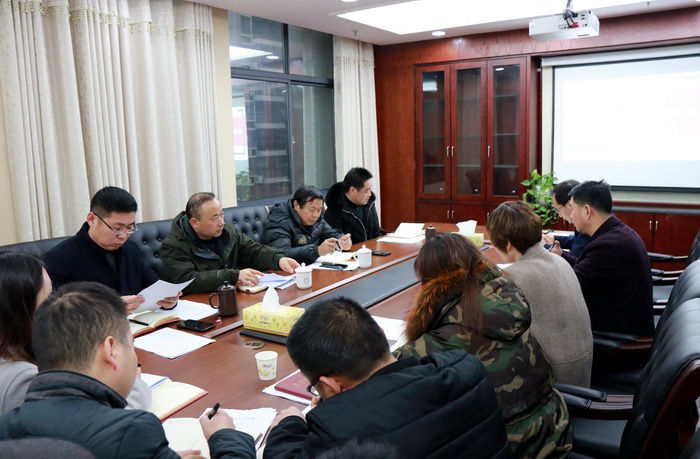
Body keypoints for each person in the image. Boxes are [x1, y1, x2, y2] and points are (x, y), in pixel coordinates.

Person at [0, 282, 255, 459]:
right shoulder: (131, 431)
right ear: (110, 350)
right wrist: (225, 437)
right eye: (131, 346)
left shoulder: (6, 428)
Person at [264, 296, 511, 459]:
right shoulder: (465, 367)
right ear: (381, 334)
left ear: (330, 385)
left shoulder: (338, 432)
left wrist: (288, 425)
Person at [398, 233, 572, 458]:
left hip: (510, 447)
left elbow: (384, 370)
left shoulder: (446, 337)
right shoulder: (506, 301)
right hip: (554, 430)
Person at [0, 252, 152, 413]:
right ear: (21, 308)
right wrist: (133, 382)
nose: (55, 302)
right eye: (49, 295)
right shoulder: (22, 379)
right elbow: (94, 419)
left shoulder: (20, 350)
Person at [486, 201, 593, 387]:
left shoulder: (512, 277)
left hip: (554, 382)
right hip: (582, 372)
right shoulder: (559, 260)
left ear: (507, 244)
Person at [44, 186, 180, 313]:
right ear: (92, 219)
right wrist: (110, 307)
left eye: (130, 228)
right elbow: (58, 311)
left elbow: (152, 285)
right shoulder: (59, 258)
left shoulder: (130, 248)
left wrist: (168, 299)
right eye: (117, 228)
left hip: (140, 325)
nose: (123, 236)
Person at [556, 180, 654, 337]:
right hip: (616, 324)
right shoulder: (615, 233)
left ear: (587, 211)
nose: (571, 215)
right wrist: (561, 256)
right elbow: (585, 268)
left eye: (572, 208)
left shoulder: (609, 246)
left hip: (617, 338)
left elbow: (568, 286)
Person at [161, 192, 299, 294]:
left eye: (221, 214)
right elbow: (186, 281)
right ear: (195, 223)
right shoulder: (174, 245)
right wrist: (233, 276)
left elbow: (252, 251)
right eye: (215, 218)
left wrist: (278, 259)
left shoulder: (227, 231)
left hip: (232, 296)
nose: (221, 222)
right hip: (202, 306)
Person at [262, 186, 352, 264]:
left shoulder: (317, 218)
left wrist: (343, 241)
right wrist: (317, 251)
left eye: (319, 210)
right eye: (311, 209)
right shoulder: (279, 221)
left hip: (311, 267)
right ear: (296, 205)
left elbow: (332, 234)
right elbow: (282, 254)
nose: (315, 215)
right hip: (285, 273)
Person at [324, 167, 381, 243]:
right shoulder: (334, 211)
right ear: (353, 190)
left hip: (371, 248)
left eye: (370, 190)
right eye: (367, 191)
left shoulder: (369, 203)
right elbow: (336, 243)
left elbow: (376, 234)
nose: (370, 194)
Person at [543, 179, 591, 257]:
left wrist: (544, 246)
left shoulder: (587, 225)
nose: (560, 215)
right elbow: (578, 241)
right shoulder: (588, 218)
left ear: (570, 204)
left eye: (558, 210)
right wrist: (553, 239)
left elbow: (574, 259)